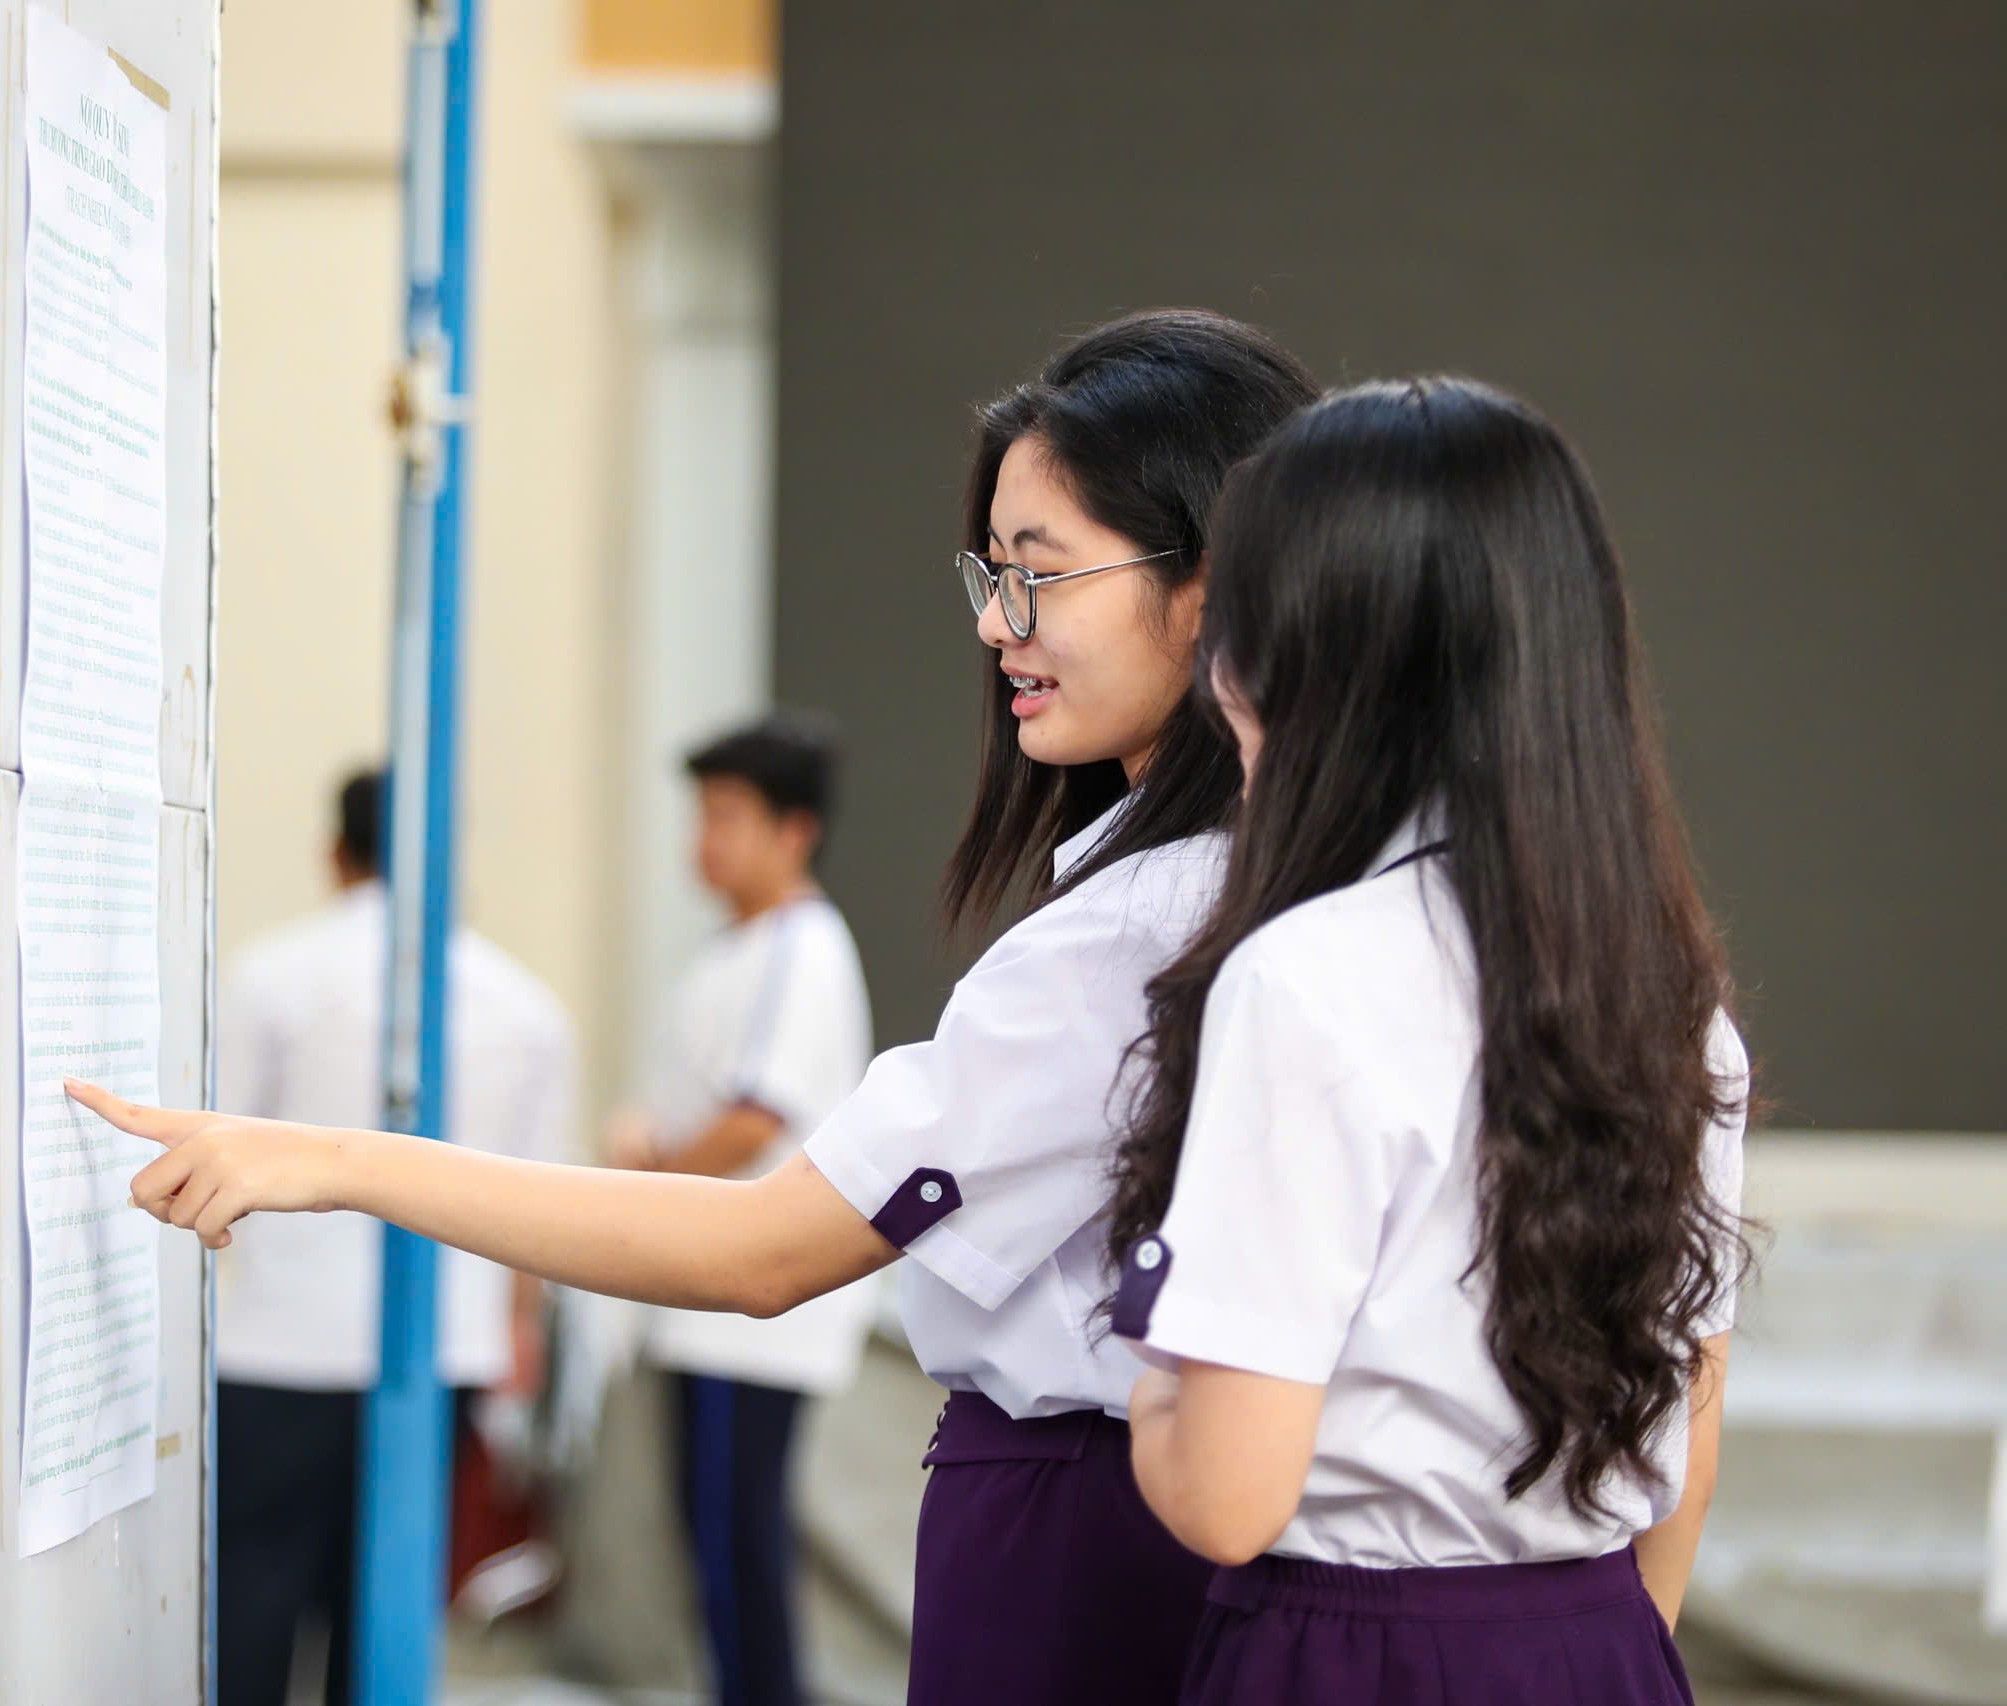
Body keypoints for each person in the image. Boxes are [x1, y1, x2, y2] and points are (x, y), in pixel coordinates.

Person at [69, 309, 1319, 1705]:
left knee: (739, 1606)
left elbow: (763, 1240)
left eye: (1040, 575)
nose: (994, 623)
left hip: (1059, 1512)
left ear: (1211, 587)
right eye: (988, 572)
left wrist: (337, 1158)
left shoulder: (1119, 934)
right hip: (1110, 1504)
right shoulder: (1265, 887)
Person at [1106, 377, 1751, 1705]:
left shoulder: (1305, 981)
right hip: (1603, 1642)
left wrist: (1150, 1378)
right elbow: (1696, 1409)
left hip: (1351, 1653)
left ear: (1306, 663)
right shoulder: (1674, 1000)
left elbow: (1228, 1498)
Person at [209, 769, 577, 1706]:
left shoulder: (272, 974)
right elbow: (544, 1209)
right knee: (386, 1608)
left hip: (277, 1348)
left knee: (251, 1594)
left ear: (337, 854)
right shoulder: (526, 1006)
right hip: (441, 1348)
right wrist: (517, 1335)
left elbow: (214, 1146)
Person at [605, 717, 877, 1706]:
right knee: (715, 1538)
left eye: (725, 816)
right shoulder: (735, 948)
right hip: (703, 1302)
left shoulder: (802, 948)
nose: (703, 839)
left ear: (794, 829)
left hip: (753, 1313)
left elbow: (758, 1112)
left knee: (738, 1540)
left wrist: (645, 1179)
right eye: (700, 814)